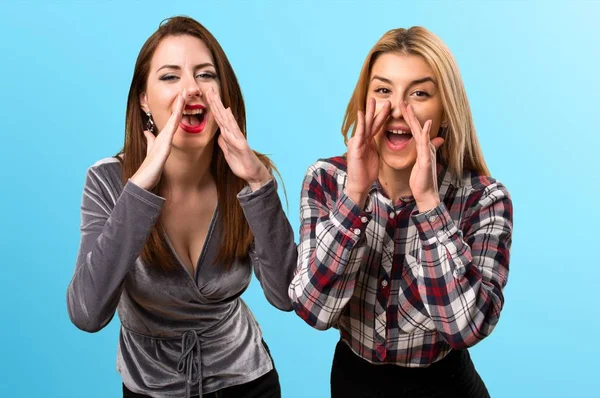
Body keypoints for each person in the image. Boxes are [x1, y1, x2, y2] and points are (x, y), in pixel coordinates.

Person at [67, 16, 296, 398]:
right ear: (143, 99)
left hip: (248, 381)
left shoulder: (247, 175)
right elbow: (87, 313)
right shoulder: (108, 181)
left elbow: (287, 296)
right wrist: (139, 189)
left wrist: (259, 185)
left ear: (223, 91)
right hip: (150, 388)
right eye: (170, 77)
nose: (191, 88)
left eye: (205, 75)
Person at [289, 26, 513, 398]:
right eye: (382, 90)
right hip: (351, 382)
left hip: (447, 386)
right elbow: (314, 310)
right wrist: (355, 195)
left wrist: (429, 204)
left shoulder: (486, 200)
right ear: (364, 102)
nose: (397, 109)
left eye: (420, 93)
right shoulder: (326, 180)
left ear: (445, 111)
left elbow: (465, 329)